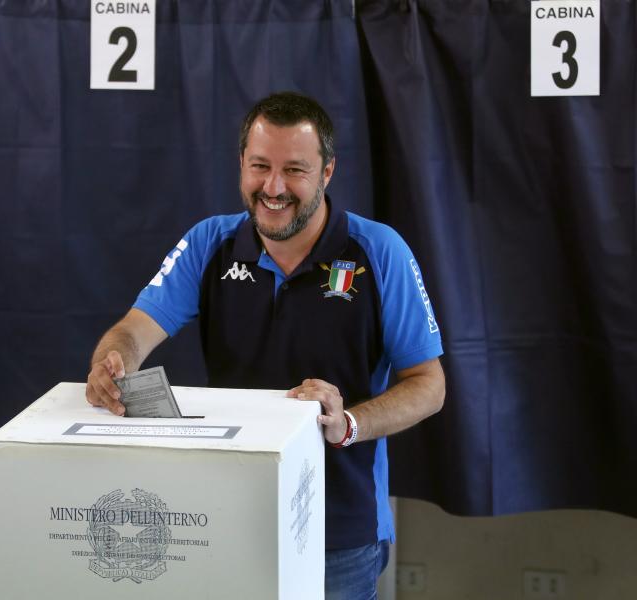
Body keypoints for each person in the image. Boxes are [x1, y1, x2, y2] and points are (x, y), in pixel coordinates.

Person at [85, 91, 445, 599]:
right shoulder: (210, 243)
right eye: (260, 167)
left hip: (337, 531)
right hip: (224, 516)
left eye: (294, 170)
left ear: (327, 173)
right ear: (241, 165)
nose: (273, 188)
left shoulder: (380, 251)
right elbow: (135, 328)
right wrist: (112, 361)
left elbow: (429, 385)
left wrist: (349, 424)